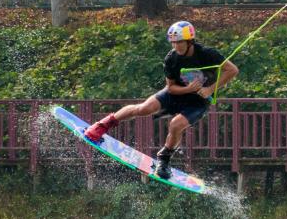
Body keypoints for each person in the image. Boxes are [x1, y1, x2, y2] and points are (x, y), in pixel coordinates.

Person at [84, 21, 239, 179]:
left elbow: (232, 70)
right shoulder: (172, 58)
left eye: (179, 42)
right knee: (144, 108)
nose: (176, 46)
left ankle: (164, 160)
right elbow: (171, 87)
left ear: (189, 41)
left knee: (176, 125)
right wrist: (188, 89)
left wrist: (210, 89)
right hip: (176, 93)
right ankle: (103, 125)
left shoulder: (207, 54)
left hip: (198, 101)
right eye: (173, 42)